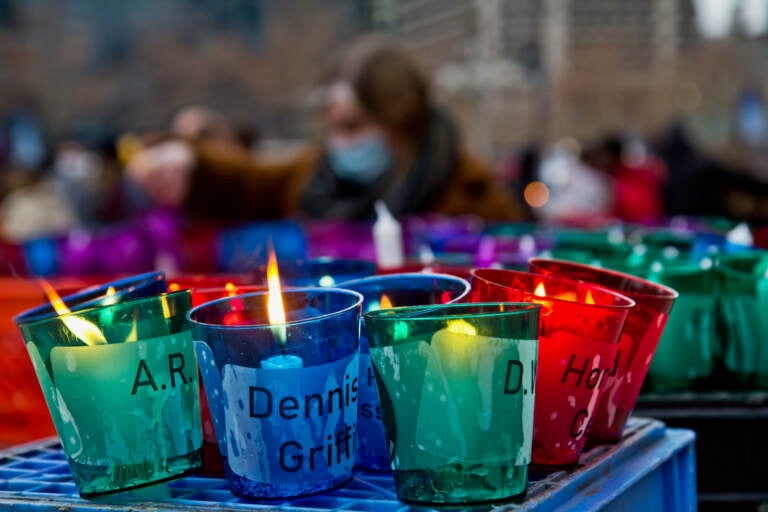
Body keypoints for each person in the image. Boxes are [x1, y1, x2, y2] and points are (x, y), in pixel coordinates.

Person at [127, 39, 522, 222]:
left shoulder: (474, 202)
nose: (339, 143)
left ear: (400, 123)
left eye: (353, 126)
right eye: (332, 127)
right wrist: (192, 166)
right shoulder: (312, 175)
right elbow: (252, 185)